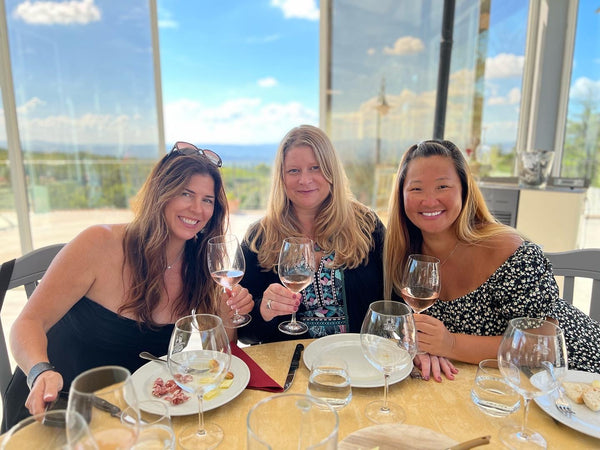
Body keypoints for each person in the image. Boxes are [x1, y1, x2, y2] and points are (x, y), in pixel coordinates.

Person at [4, 142, 254, 430]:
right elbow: (27, 322)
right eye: (186, 193)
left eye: (207, 200)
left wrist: (227, 314)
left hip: (133, 415)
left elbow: (219, 354)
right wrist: (39, 372)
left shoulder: (200, 263)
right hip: (56, 407)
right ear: (161, 193)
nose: (197, 209)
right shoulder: (99, 244)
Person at [384, 139, 600, 373]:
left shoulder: (510, 250)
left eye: (442, 187)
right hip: (495, 384)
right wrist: (420, 349)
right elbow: (398, 329)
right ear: (402, 196)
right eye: (416, 189)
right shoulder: (403, 255)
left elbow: (542, 347)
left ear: (465, 190)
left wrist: (451, 344)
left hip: (576, 372)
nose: (429, 200)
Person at [237, 124, 386, 344]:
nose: (304, 180)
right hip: (288, 367)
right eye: (294, 171)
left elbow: (394, 300)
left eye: (315, 168)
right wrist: (264, 310)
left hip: (358, 362)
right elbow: (245, 333)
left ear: (331, 171)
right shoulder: (258, 238)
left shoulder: (367, 225)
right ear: (282, 178)